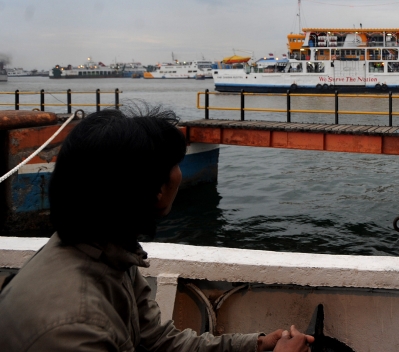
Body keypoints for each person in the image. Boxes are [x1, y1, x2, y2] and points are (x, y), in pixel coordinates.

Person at [0, 106, 314, 352]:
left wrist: (256, 345)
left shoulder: (104, 250)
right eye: (174, 164)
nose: (179, 173)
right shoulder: (73, 328)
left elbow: (161, 341)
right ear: (154, 189)